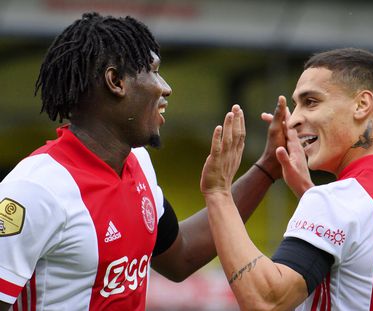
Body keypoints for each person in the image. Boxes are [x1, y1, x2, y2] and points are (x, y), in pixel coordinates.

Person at [0, 12, 289, 311]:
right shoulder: (35, 190)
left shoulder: (139, 163)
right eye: (152, 71)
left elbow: (182, 256)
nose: (165, 88)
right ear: (116, 81)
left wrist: (267, 167)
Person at [201, 47, 373, 310]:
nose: (294, 120)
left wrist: (219, 193)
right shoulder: (358, 202)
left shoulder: (336, 202)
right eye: (295, 105)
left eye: (311, 102)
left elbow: (267, 301)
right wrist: (308, 192)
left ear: (361, 105)